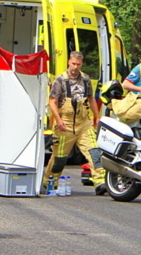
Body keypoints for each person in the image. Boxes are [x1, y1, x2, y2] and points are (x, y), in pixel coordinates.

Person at [43, 51, 106, 194]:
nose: (75, 67)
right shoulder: (60, 80)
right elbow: (52, 102)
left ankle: (100, 182)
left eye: (78, 64)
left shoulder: (85, 79)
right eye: (73, 64)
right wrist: (58, 120)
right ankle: (49, 182)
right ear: (68, 62)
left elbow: (91, 98)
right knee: (59, 158)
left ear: (82, 64)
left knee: (94, 152)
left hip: (83, 123)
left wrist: (96, 116)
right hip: (65, 124)